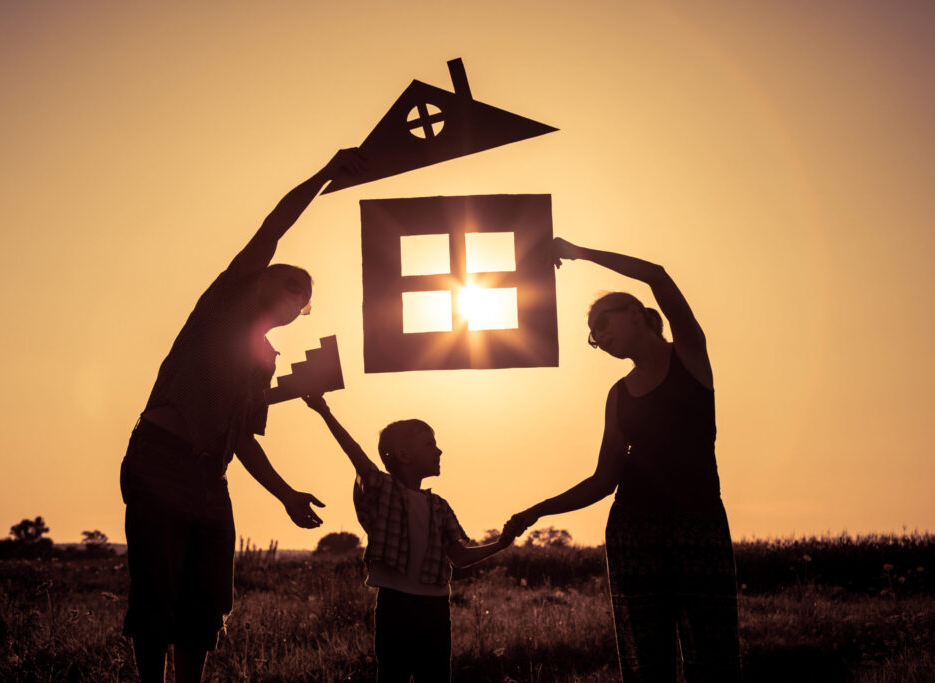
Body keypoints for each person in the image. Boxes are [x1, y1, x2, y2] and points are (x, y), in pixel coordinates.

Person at [119, 148, 366, 683]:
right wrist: (327, 173)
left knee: (204, 600)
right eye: (290, 287)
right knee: (156, 591)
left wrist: (287, 494)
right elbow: (274, 226)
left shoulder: (264, 361)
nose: (296, 301)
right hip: (160, 460)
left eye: (303, 300)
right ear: (259, 280)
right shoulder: (224, 302)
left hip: (211, 477)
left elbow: (243, 440)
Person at [505, 237, 742, 682]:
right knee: (647, 665)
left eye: (602, 323)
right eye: (593, 336)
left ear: (635, 312)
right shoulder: (619, 395)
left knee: (714, 659)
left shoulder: (689, 355)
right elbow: (603, 480)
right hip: (633, 533)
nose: (599, 337)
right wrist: (537, 510)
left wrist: (580, 253)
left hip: (699, 525)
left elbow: (657, 275)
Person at [302, 393, 514, 683]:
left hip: (436, 609)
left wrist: (501, 544)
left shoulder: (439, 506)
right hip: (396, 606)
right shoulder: (382, 490)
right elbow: (355, 454)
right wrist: (324, 411)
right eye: (430, 444)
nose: (439, 451)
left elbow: (460, 557)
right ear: (403, 455)